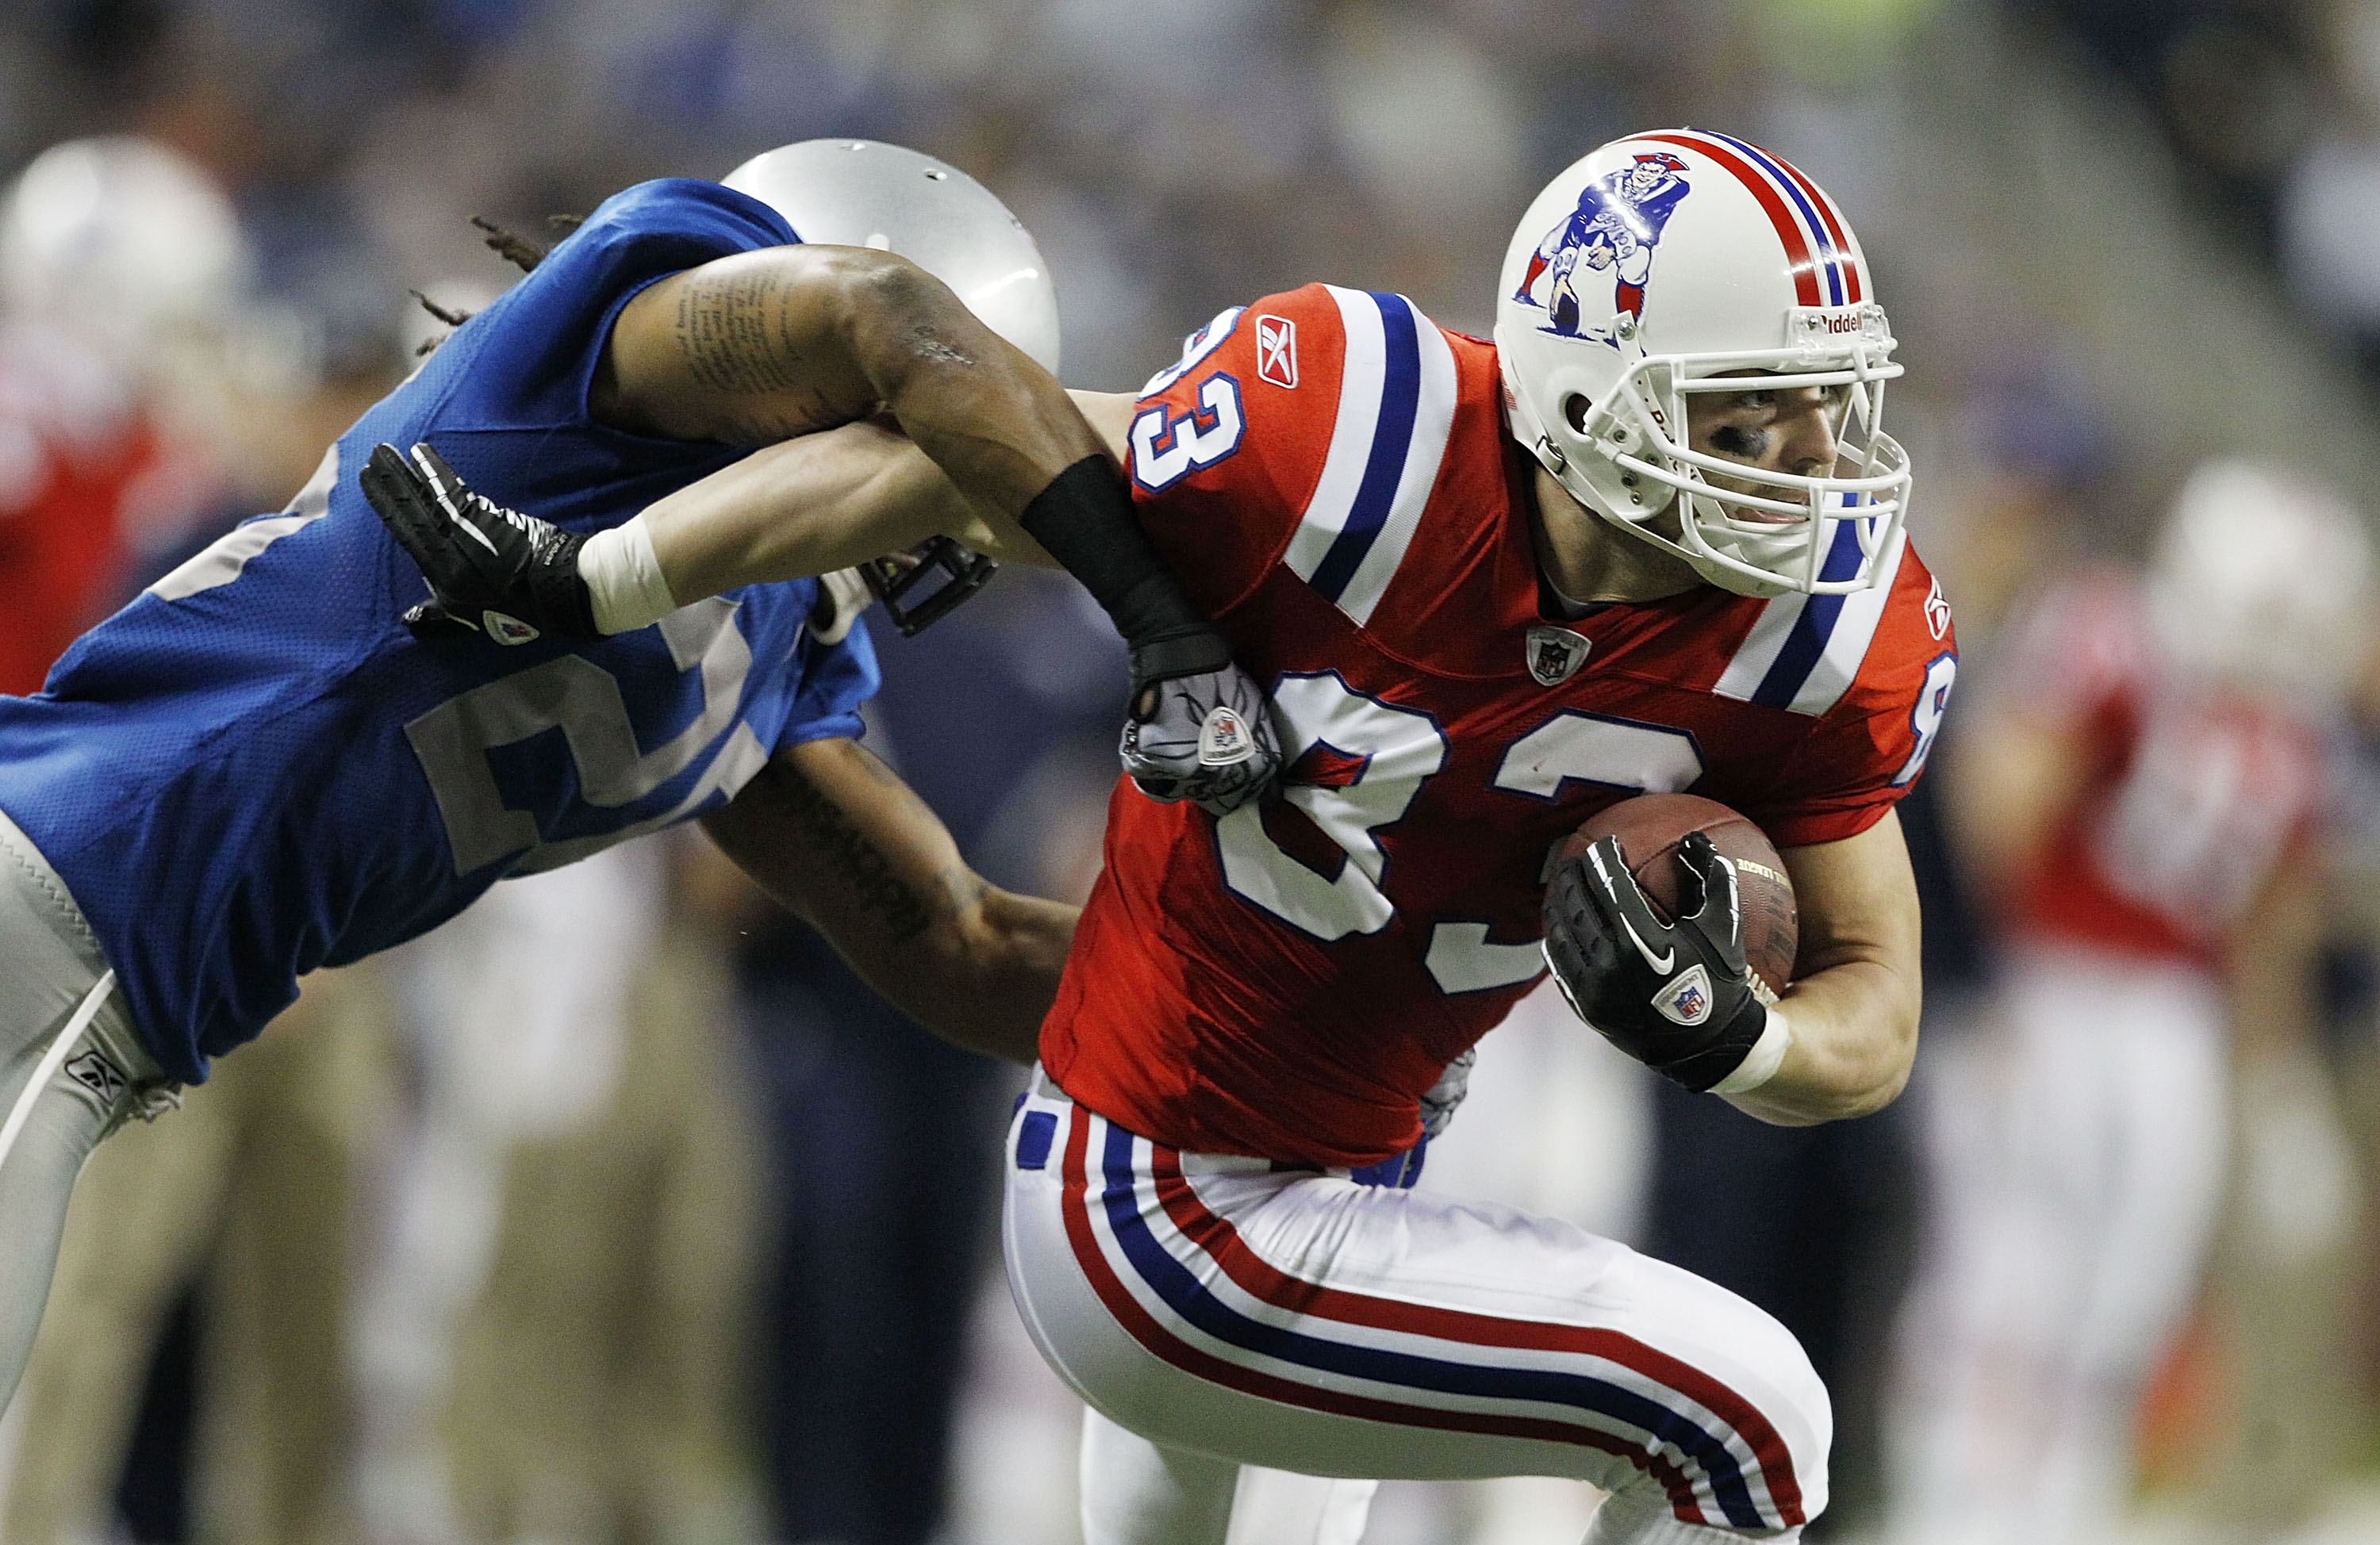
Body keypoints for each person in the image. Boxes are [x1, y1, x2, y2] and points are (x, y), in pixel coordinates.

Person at [371, 129, 1951, 1545]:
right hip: (1159, 1198)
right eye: (1753, 416)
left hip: (1363, 1178)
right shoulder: (1363, 431)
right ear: (1587, 387)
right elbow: (957, 455)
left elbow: (1875, 1000)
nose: (1813, 465)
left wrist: (1739, 1037)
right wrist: (608, 571)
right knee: (1753, 1413)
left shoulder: (1808, 639)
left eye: (1828, 409)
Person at [0, 136, 1283, 1418]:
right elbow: (880, 312)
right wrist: (1159, 611)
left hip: (116, 979)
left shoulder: (775, 648)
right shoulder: (602, 351)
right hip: (71, 889)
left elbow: (961, 943)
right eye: (972, 419)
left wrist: (1294, 1015)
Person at [1885, 458, 2366, 1545]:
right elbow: (1999, 805)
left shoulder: (2286, 724)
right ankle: (1947, 1503)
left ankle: (2064, 1506)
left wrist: (2280, 1085)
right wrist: (1977, 986)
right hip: (2054, 985)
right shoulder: (2116, 636)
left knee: (2130, 1284)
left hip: (2173, 1020)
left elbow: (2270, 921)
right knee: (2004, 1267)